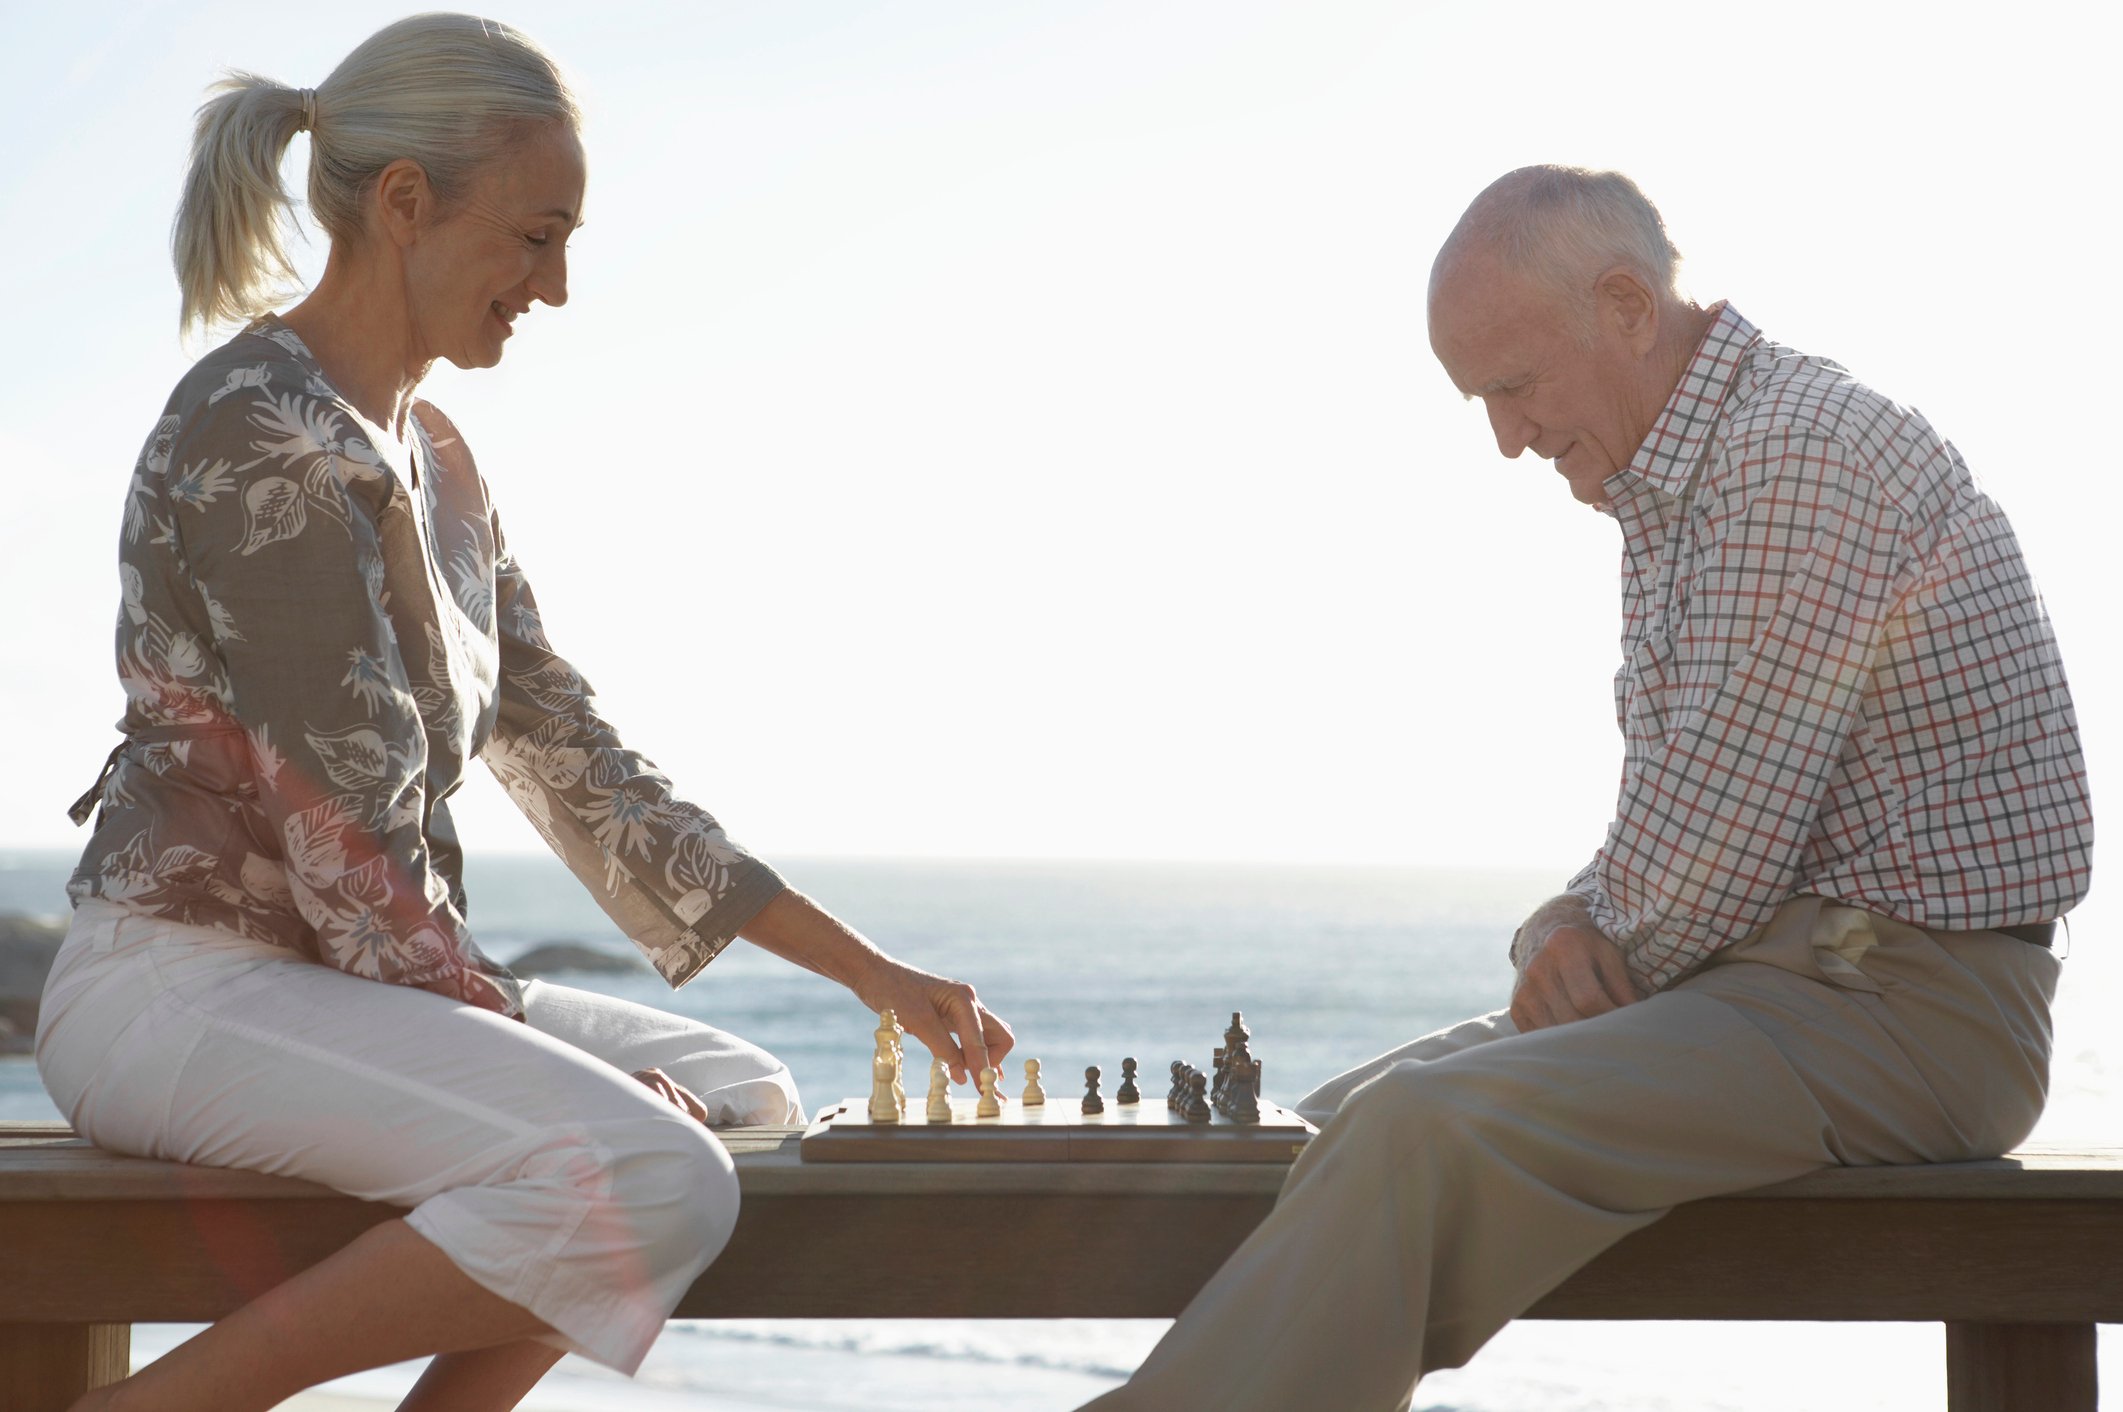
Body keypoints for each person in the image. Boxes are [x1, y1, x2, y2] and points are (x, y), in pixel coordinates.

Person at [37, 15, 1014, 1412]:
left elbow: (573, 758)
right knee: (648, 1168)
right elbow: (348, 840)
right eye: (535, 237)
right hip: (180, 993)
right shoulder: (262, 425)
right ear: (404, 205)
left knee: (742, 1102)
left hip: (330, 979)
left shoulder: (436, 459)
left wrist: (869, 976)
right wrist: (512, 1035)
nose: (553, 288)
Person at [1079, 165, 2092, 1411]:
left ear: (1622, 304)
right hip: (1781, 979)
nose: (1505, 437)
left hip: (1907, 1014)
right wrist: (1560, 927)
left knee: (1417, 1132)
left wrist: (1574, 929)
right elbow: (1681, 827)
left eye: (1512, 386)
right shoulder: (1687, 475)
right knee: (1337, 1119)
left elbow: (1698, 859)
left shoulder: (1793, 456)